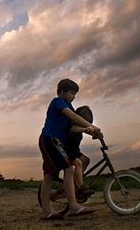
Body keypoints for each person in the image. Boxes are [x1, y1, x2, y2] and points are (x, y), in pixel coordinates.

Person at [38, 79, 101, 220]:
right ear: (62, 91)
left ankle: (46, 212)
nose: (74, 97)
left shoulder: (69, 107)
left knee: (49, 176)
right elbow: (73, 117)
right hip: (50, 139)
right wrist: (94, 127)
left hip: (55, 142)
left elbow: (73, 126)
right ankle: (73, 206)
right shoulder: (58, 102)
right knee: (68, 169)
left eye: (75, 94)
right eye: (72, 93)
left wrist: (88, 130)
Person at [65, 105, 96, 203]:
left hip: (74, 151)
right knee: (78, 163)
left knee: (86, 160)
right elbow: (73, 129)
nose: (84, 126)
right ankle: (81, 187)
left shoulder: (81, 128)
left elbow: (88, 131)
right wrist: (85, 129)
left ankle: (75, 182)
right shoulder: (71, 125)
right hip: (66, 151)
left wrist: (97, 134)